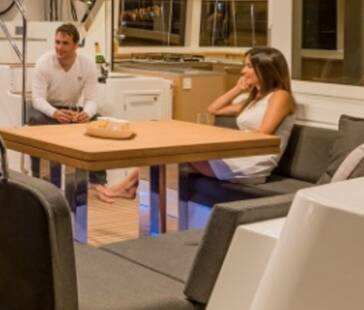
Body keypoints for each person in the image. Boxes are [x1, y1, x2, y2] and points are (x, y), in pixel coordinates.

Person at [97, 46, 296, 201]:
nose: (243, 71)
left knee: (169, 154)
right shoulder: (254, 99)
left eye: (249, 66)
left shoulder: (280, 96)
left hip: (252, 163)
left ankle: (127, 187)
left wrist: (227, 142)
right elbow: (214, 109)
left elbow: (263, 134)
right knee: (162, 157)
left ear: (266, 69)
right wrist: (237, 89)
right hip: (239, 156)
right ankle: (132, 190)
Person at [29, 23, 105, 184]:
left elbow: (92, 99)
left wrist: (86, 113)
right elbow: (37, 99)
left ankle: (98, 182)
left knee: (98, 122)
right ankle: (38, 179)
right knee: (35, 119)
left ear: (76, 45)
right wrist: (55, 113)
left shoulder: (88, 65)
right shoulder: (43, 63)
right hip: (48, 111)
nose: (59, 47)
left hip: (72, 111)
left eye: (65, 43)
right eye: (57, 42)